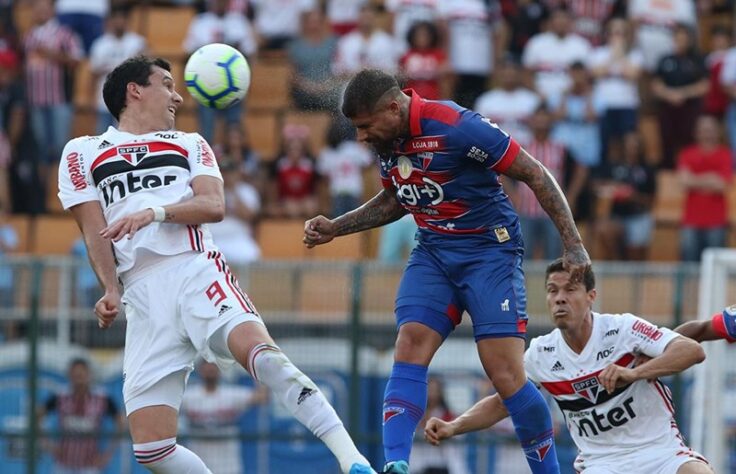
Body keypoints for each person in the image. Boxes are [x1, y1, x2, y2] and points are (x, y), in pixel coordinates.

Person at [57, 55, 375, 474]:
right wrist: (110, 290)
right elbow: (93, 230)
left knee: (264, 358)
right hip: (142, 296)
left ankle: (353, 461)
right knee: (152, 450)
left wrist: (154, 213)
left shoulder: (190, 143)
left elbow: (214, 205)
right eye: (167, 84)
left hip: (195, 270)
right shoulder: (81, 152)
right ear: (134, 90)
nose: (177, 95)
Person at [303, 68, 591, 474]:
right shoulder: (389, 138)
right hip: (434, 251)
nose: (361, 137)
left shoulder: (459, 127)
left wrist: (573, 244)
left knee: (506, 374)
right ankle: (397, 464)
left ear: (393, 106)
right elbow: (396, 198)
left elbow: (534, 174)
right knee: (410, 342)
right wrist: (337, 227)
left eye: (365, 126)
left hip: (490, 252)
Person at [424, 259, 712, 474]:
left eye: (570, 289)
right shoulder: (542, 353)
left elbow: (691, 351)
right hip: (602, 464)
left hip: (660, 452)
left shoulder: (623, 329)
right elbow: (502, 403)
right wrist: (453, 426)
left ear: (591, 297)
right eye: (552, 290)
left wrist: (634, 373)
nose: (559, 297)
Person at [38, 358, 126, 474]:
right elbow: (37, 416)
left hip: (90, 465)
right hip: (63, 464)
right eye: (75, 375)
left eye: (81, 375)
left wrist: (107, 454)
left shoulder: (102, 398)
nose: (79, 379)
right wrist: (48, 445)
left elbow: (121, 422)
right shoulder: (60, 396)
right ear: (70, 375)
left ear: (89, 375)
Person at [181, 361, 268, 474]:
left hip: (228, 464)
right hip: (198, 462)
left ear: (219, 370)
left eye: (213, 367)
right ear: (200, 371)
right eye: (207, 368)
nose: (210, 370)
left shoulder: (230, 394)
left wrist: (257, 365)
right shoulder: (190, 396)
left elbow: (262, 397)